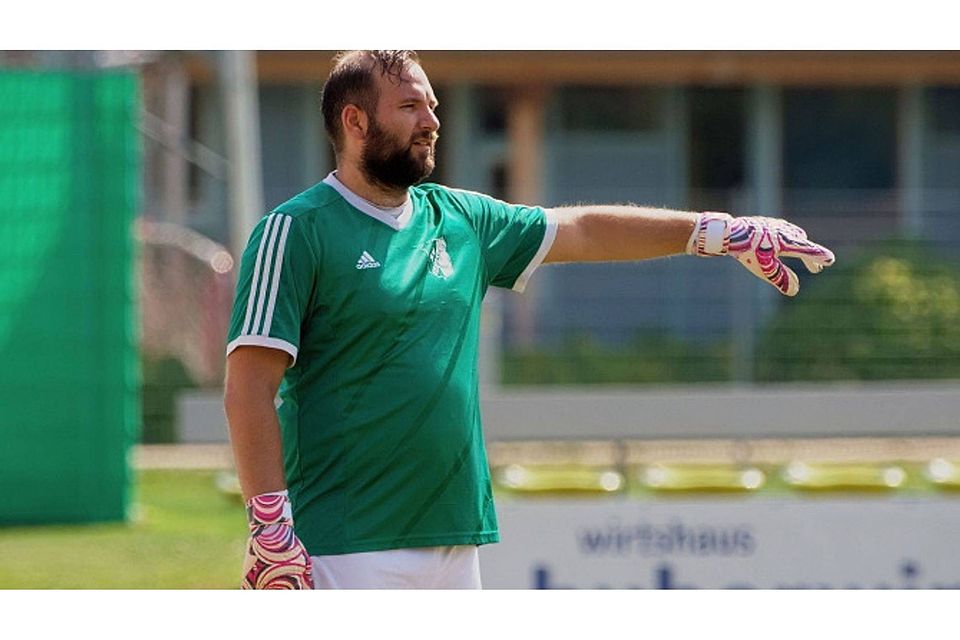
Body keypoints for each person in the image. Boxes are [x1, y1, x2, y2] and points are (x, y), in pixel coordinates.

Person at [224, 50, 835, 590]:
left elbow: (583, 228)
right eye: (410, 106)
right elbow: (250, 386)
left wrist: (717, 231)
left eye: (433, 105)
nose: (432, 120)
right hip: (346, 546)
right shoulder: (295, 230)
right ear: (355, 121)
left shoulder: (461, 219)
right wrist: (271, 523)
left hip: (455, 542)